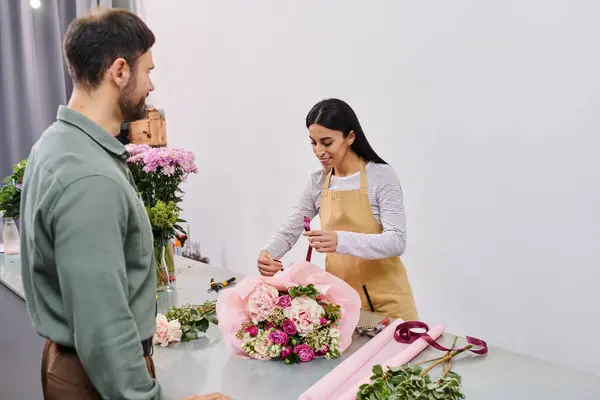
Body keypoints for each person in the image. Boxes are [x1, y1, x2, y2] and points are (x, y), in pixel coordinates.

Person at [19, 8, 229, 400]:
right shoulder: (90, 176)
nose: (151, 85)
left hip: (78, 364)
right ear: (119, 71)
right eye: (148, 71)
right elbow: (102, 323)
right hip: (94, 377)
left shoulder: (57, 145)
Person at [257, 98, 418, 321]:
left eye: (326, 142)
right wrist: (269, 253)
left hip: (388, 303)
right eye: (313, 142)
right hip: (340, 301)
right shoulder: (317, 182)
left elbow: (396, 241)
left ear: (350, 137)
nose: (318, 151)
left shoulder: (381, 176)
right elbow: (289, 230)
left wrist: (340, 241)